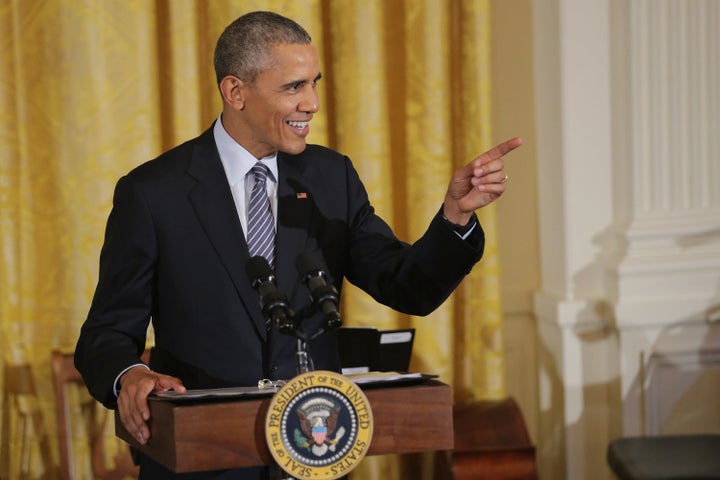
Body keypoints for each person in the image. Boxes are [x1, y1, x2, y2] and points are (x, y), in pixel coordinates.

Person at [74, 10, 522, 480]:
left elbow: (406, 286)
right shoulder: (153, 193)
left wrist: (456, 216)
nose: (311, 103)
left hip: (314, 456)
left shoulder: (332, 178)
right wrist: (131, 376)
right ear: (235, 92)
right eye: (293, 87)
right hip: (205, 462)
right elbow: (105, 333)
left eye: (314, 83)